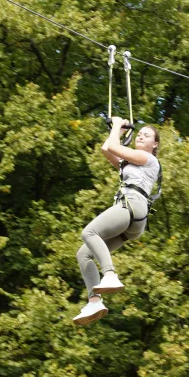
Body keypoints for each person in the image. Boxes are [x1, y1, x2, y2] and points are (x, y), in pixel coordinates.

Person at [73, 117, 161, 326]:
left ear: (154, 144)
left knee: (89, 233)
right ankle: (94, 301)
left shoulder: (147, 158)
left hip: (132, 205)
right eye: (139, 133)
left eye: (146, 135)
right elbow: (107, 148)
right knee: (83, 254)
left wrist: (115, 128)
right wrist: (119, 131)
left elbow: (113, 146)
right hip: (132, 219)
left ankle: (110, 274)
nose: (140, 136)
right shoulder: (131, 162)